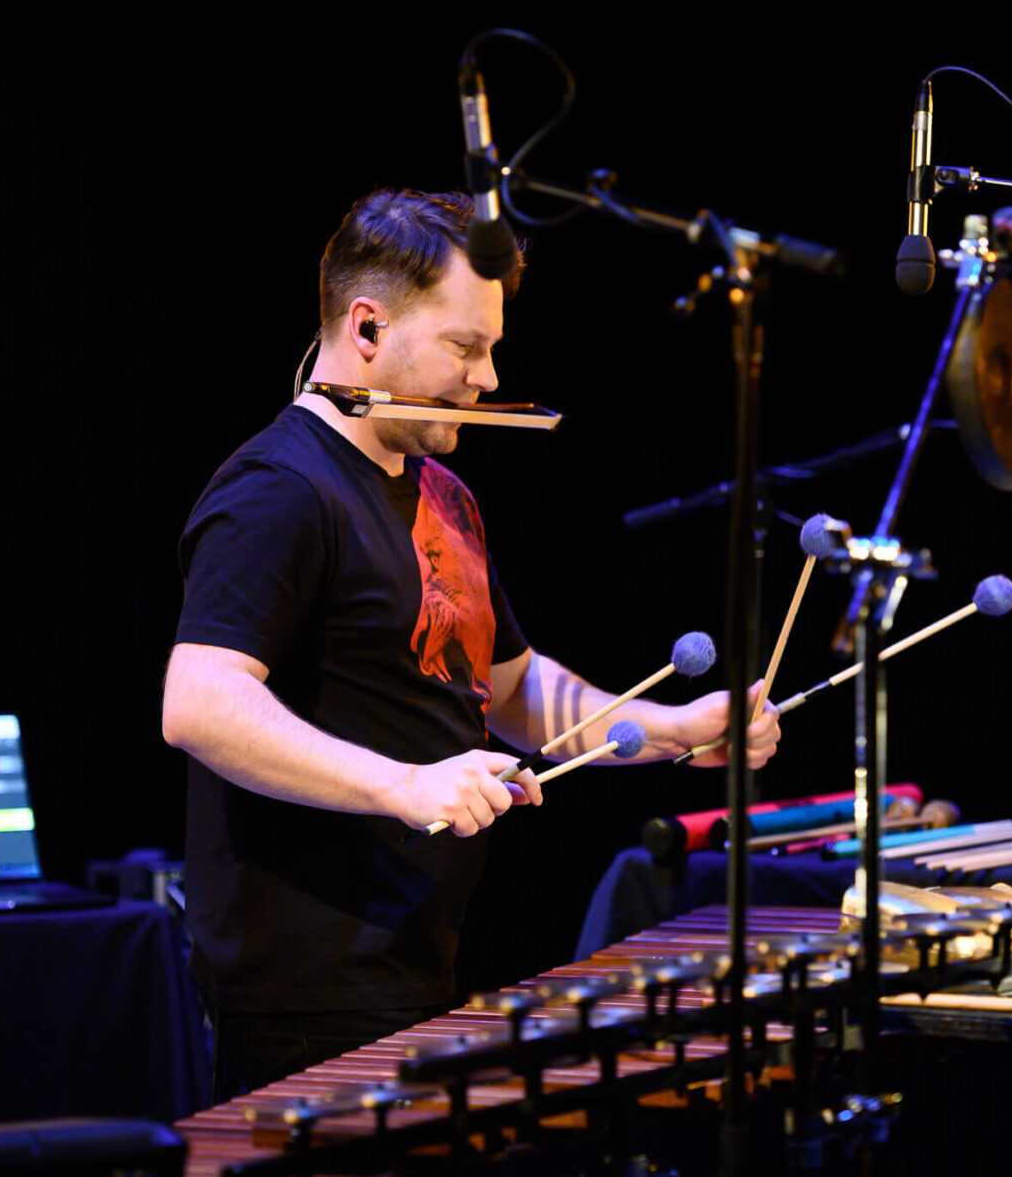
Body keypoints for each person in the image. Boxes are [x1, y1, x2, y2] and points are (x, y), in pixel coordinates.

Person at [161, 188, 781, 1102]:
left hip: (415, 961)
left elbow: (514, 689)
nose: (489, 378)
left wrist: (673, 729)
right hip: (304, 994)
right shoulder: (279, 490)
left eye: (490, 347)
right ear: (367, 331)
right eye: (465, 346)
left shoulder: (444, 493)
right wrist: (405, 784)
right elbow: (200, 701)